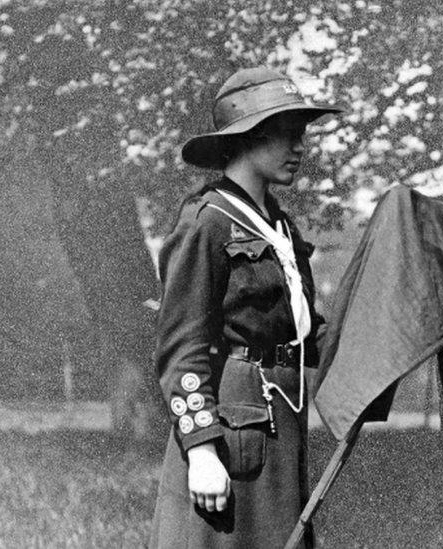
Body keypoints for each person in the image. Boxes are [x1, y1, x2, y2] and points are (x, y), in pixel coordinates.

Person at [149, 66, 344, 549]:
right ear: (246, 137)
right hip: (233, 430)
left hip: (282, 421)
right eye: (285, 133)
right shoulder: (207, 223)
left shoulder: (278, 225)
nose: (299, 147)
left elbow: (301, 330)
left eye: (302, 134)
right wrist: (202, 450)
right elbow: (182, 347)